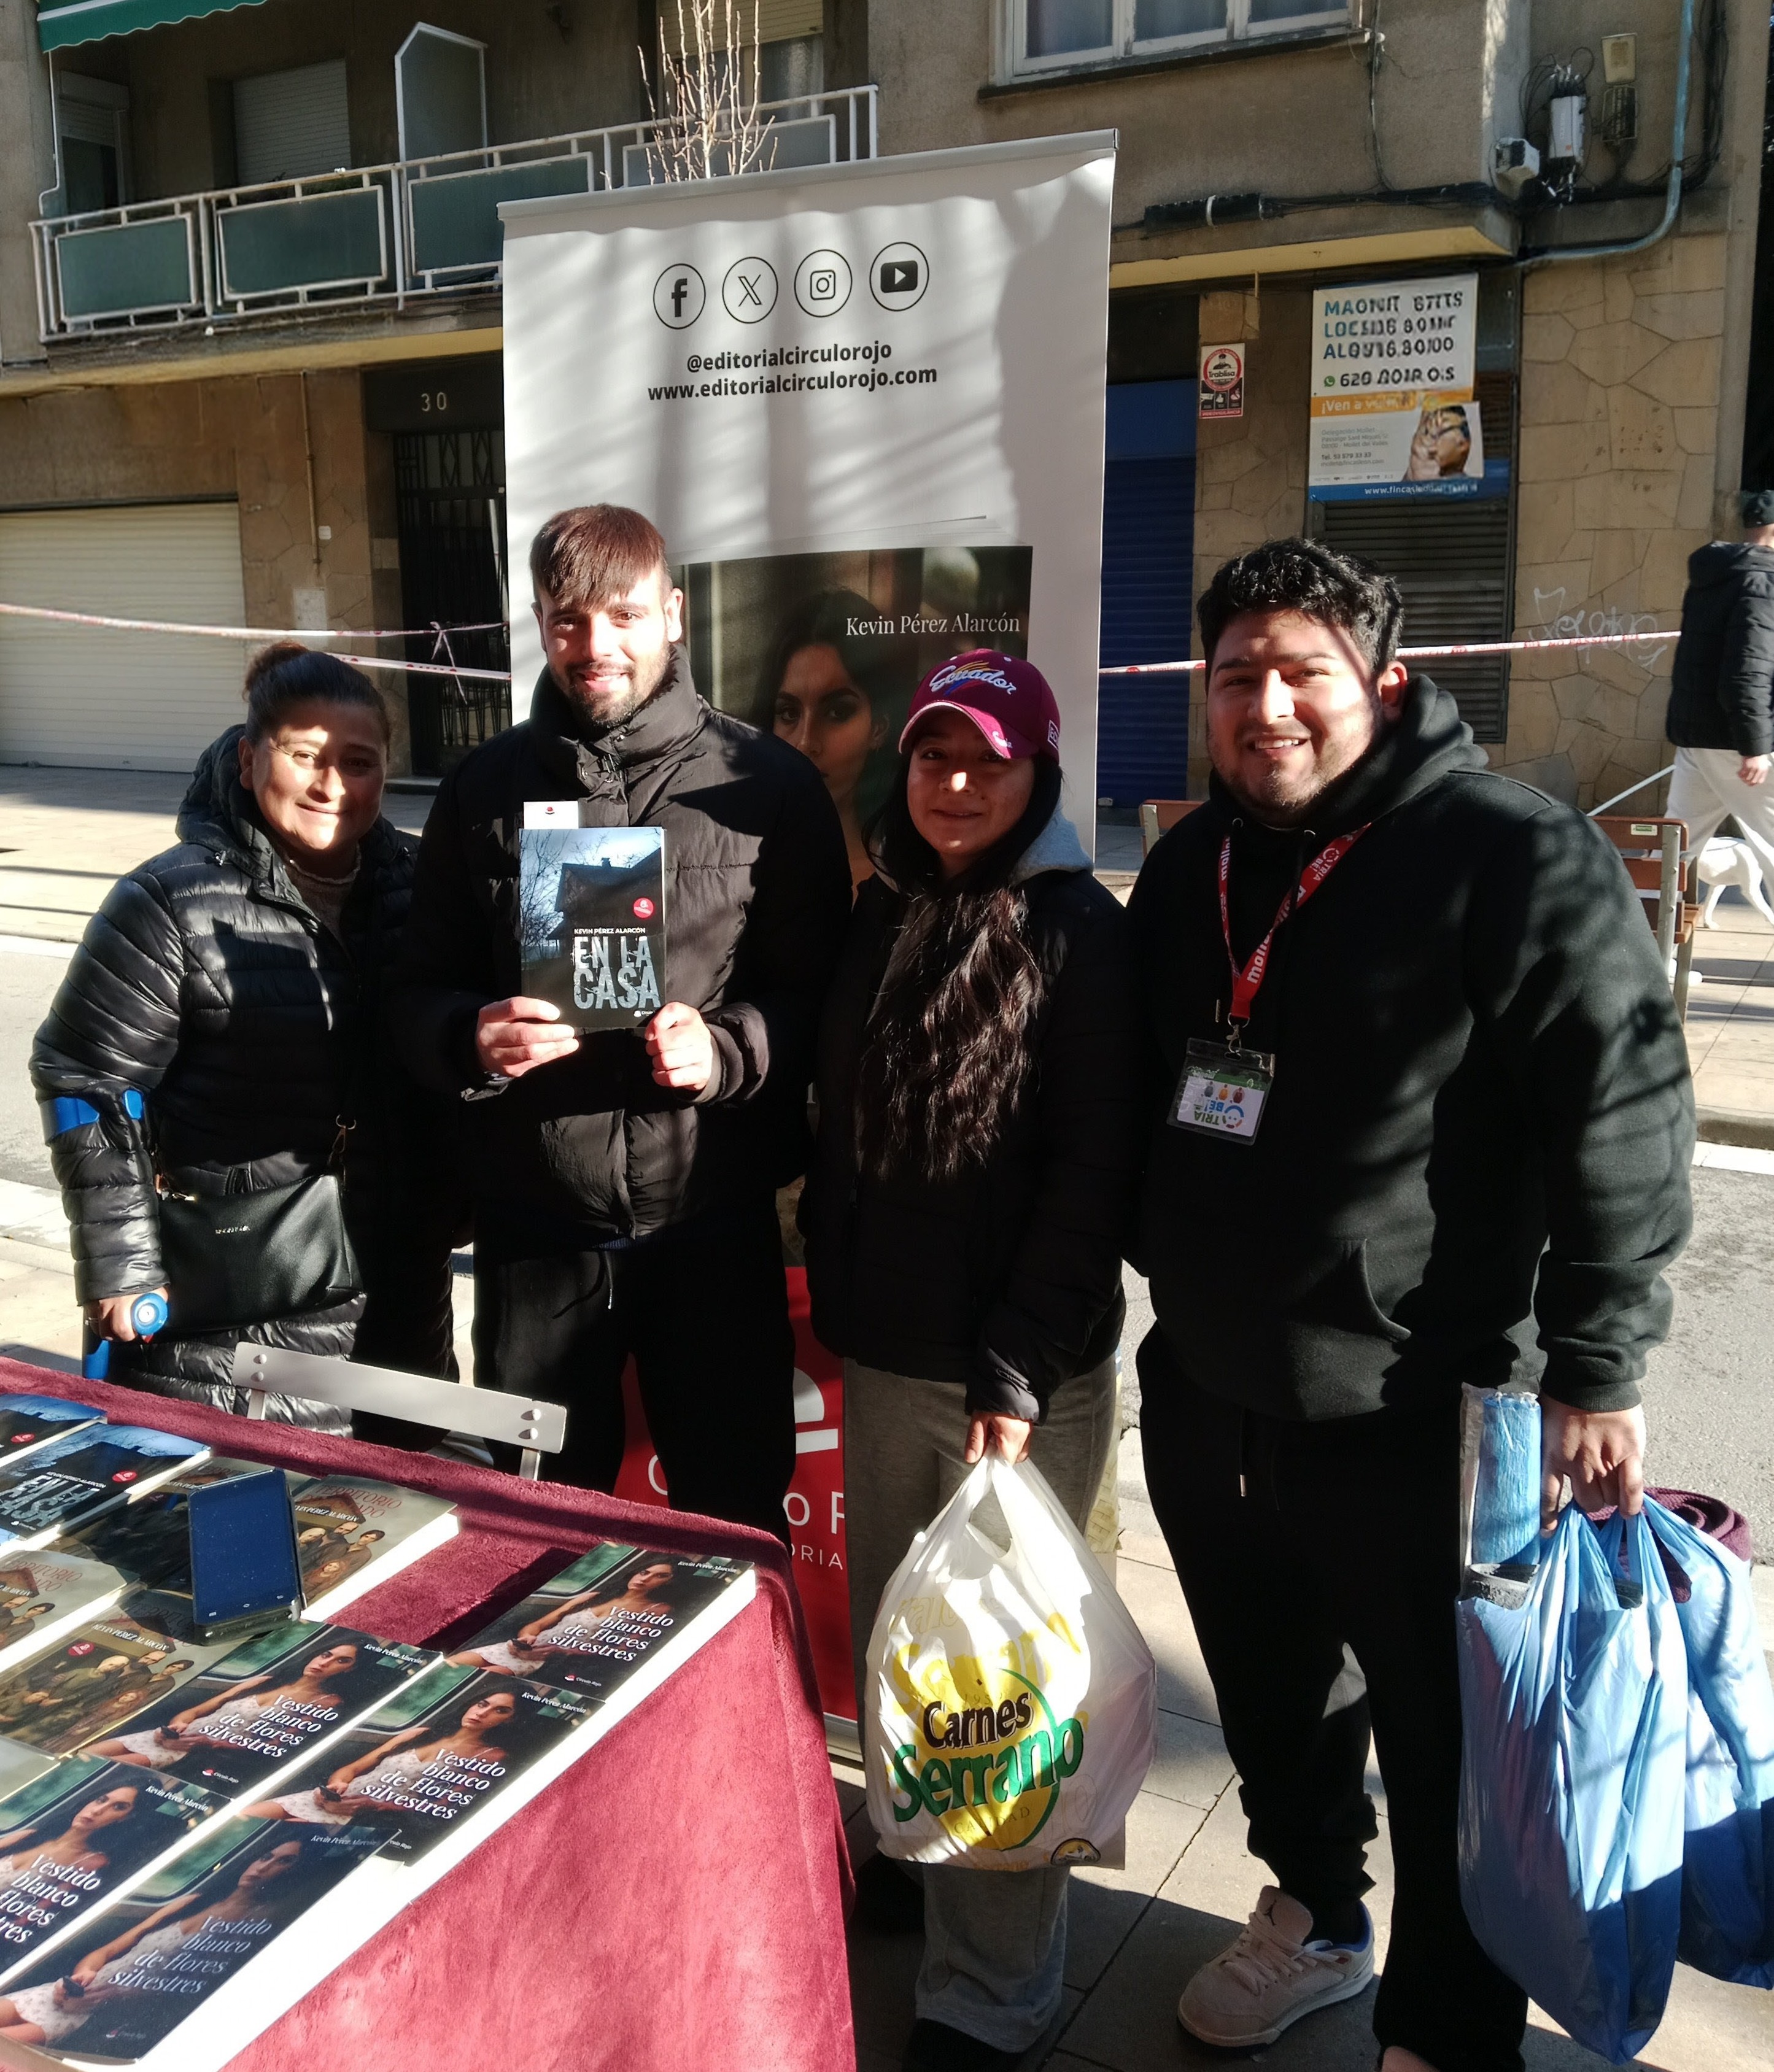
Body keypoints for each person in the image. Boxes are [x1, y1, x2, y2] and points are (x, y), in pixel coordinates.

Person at [1126, 539, 1693, 2072]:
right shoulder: (1189, 865)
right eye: (1233, 676)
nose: (1263, 707)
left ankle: (1444, 2027)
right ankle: (1316, 1913)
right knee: (1270, 1701)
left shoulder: (1507, 852)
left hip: (1428, 1408)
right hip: (1211, 1389)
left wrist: (1596, 1363)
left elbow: (1624, 1112)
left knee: (1452, 1750)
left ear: (1380, 684)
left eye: (1299, 673)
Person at [800, 651, 1138, 2072]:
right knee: (907, 1641)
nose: (952, 784)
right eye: (933, 757)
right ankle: (917, 1850)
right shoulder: (885, 902)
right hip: (887, 1350)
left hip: (1016, 1376)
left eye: (985, 762)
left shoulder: (1079, 932)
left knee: (1000, 1680)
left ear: (1035, 773)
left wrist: (1016, 1359)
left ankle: (992, 1989)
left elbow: (1092, 1171)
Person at [388, 504, 850, 1536]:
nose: (594, 645)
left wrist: (725, 1051)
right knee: (539, 1529)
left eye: (624, 616)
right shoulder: (482, 791)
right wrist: (470, 1036)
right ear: (540, 625)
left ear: (673, 614)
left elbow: (822, 1004)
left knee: (732, 1524)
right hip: (536, 1237)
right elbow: (414, 995)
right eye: (567, 620)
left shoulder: (769, 788)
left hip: (712, 1231)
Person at [29, 644, 459, 1427]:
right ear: (249, 756)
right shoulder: (168, 900)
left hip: (399, 1297)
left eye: (358, 762)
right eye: (305, 756)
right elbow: (85, 1076)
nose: (332, 785)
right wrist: (122, 1261)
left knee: (399, 1490)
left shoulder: (422, 884)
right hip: (237, 1310)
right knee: (255, 1494)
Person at [0, 1837, 310, 2047]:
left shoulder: (259, 1923)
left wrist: (106, 1998)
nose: (263, 1867)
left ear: (295, 1874)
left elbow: (185, 1992)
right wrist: (84, 1974)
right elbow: (108, 1951)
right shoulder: (192, 1901)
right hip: (70, 1990)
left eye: (284, 1862)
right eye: (266, 1856)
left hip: (99, 2012)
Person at [759, 589, 913, 892]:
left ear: (879, 728)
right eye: (789, 713)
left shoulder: (911, 883)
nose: (806, 743)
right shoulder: (731, 868)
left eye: (837, 712)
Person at [1666, 488, 1774, 883]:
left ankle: (1642, 919)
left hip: (1697, 738)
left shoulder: (1713, 577)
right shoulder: (1761, 583)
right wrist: (1755, 747)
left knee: (1673, 849)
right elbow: (1748, 670)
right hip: (1737, 743)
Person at [244, 1686, 518, 1825]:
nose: (482, 1713)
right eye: (482, 1704)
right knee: (248, 1816)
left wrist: (372, 1806)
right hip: (330, 1798)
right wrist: (337, 1785)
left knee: (277, 1831)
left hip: (366, 1815)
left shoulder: (492, 1757)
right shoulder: (421, 1734)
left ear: (510, 1721)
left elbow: (443, 1804)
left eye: (500, 1711)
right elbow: (352, 1770)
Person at [88, 1642, 362, 1770]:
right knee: (87, 1755)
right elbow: (197, 1711)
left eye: (342, 1661)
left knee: (102, 1767)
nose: (325, 1662)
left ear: (350, 1670)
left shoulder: (328, 1703)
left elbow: (277, 1745)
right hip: (170, 1735)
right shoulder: (265, 1681)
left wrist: (208, 1743)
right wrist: (178, 1725)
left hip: (194, 1752)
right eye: (326, 1654)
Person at [447, 1557, 676, 1675]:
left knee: (484, 1676)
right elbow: (538, 1625)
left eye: (660, 1576)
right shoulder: (595, 1596)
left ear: (669, 1583)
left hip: (546, 1660)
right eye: (645, 1572)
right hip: (518, 1647)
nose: (645, 1578)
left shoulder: (657, 1610)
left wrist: (558, 1650)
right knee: (452, 1665)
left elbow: (623, 1651)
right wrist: (527, 1638)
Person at [0, 1784, 140, 1884]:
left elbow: (43, 1909)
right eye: (101, 1800)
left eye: (118, 1807)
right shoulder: (28, 1836)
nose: (98, 1811)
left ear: (126, 1818)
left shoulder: (92, 1861)